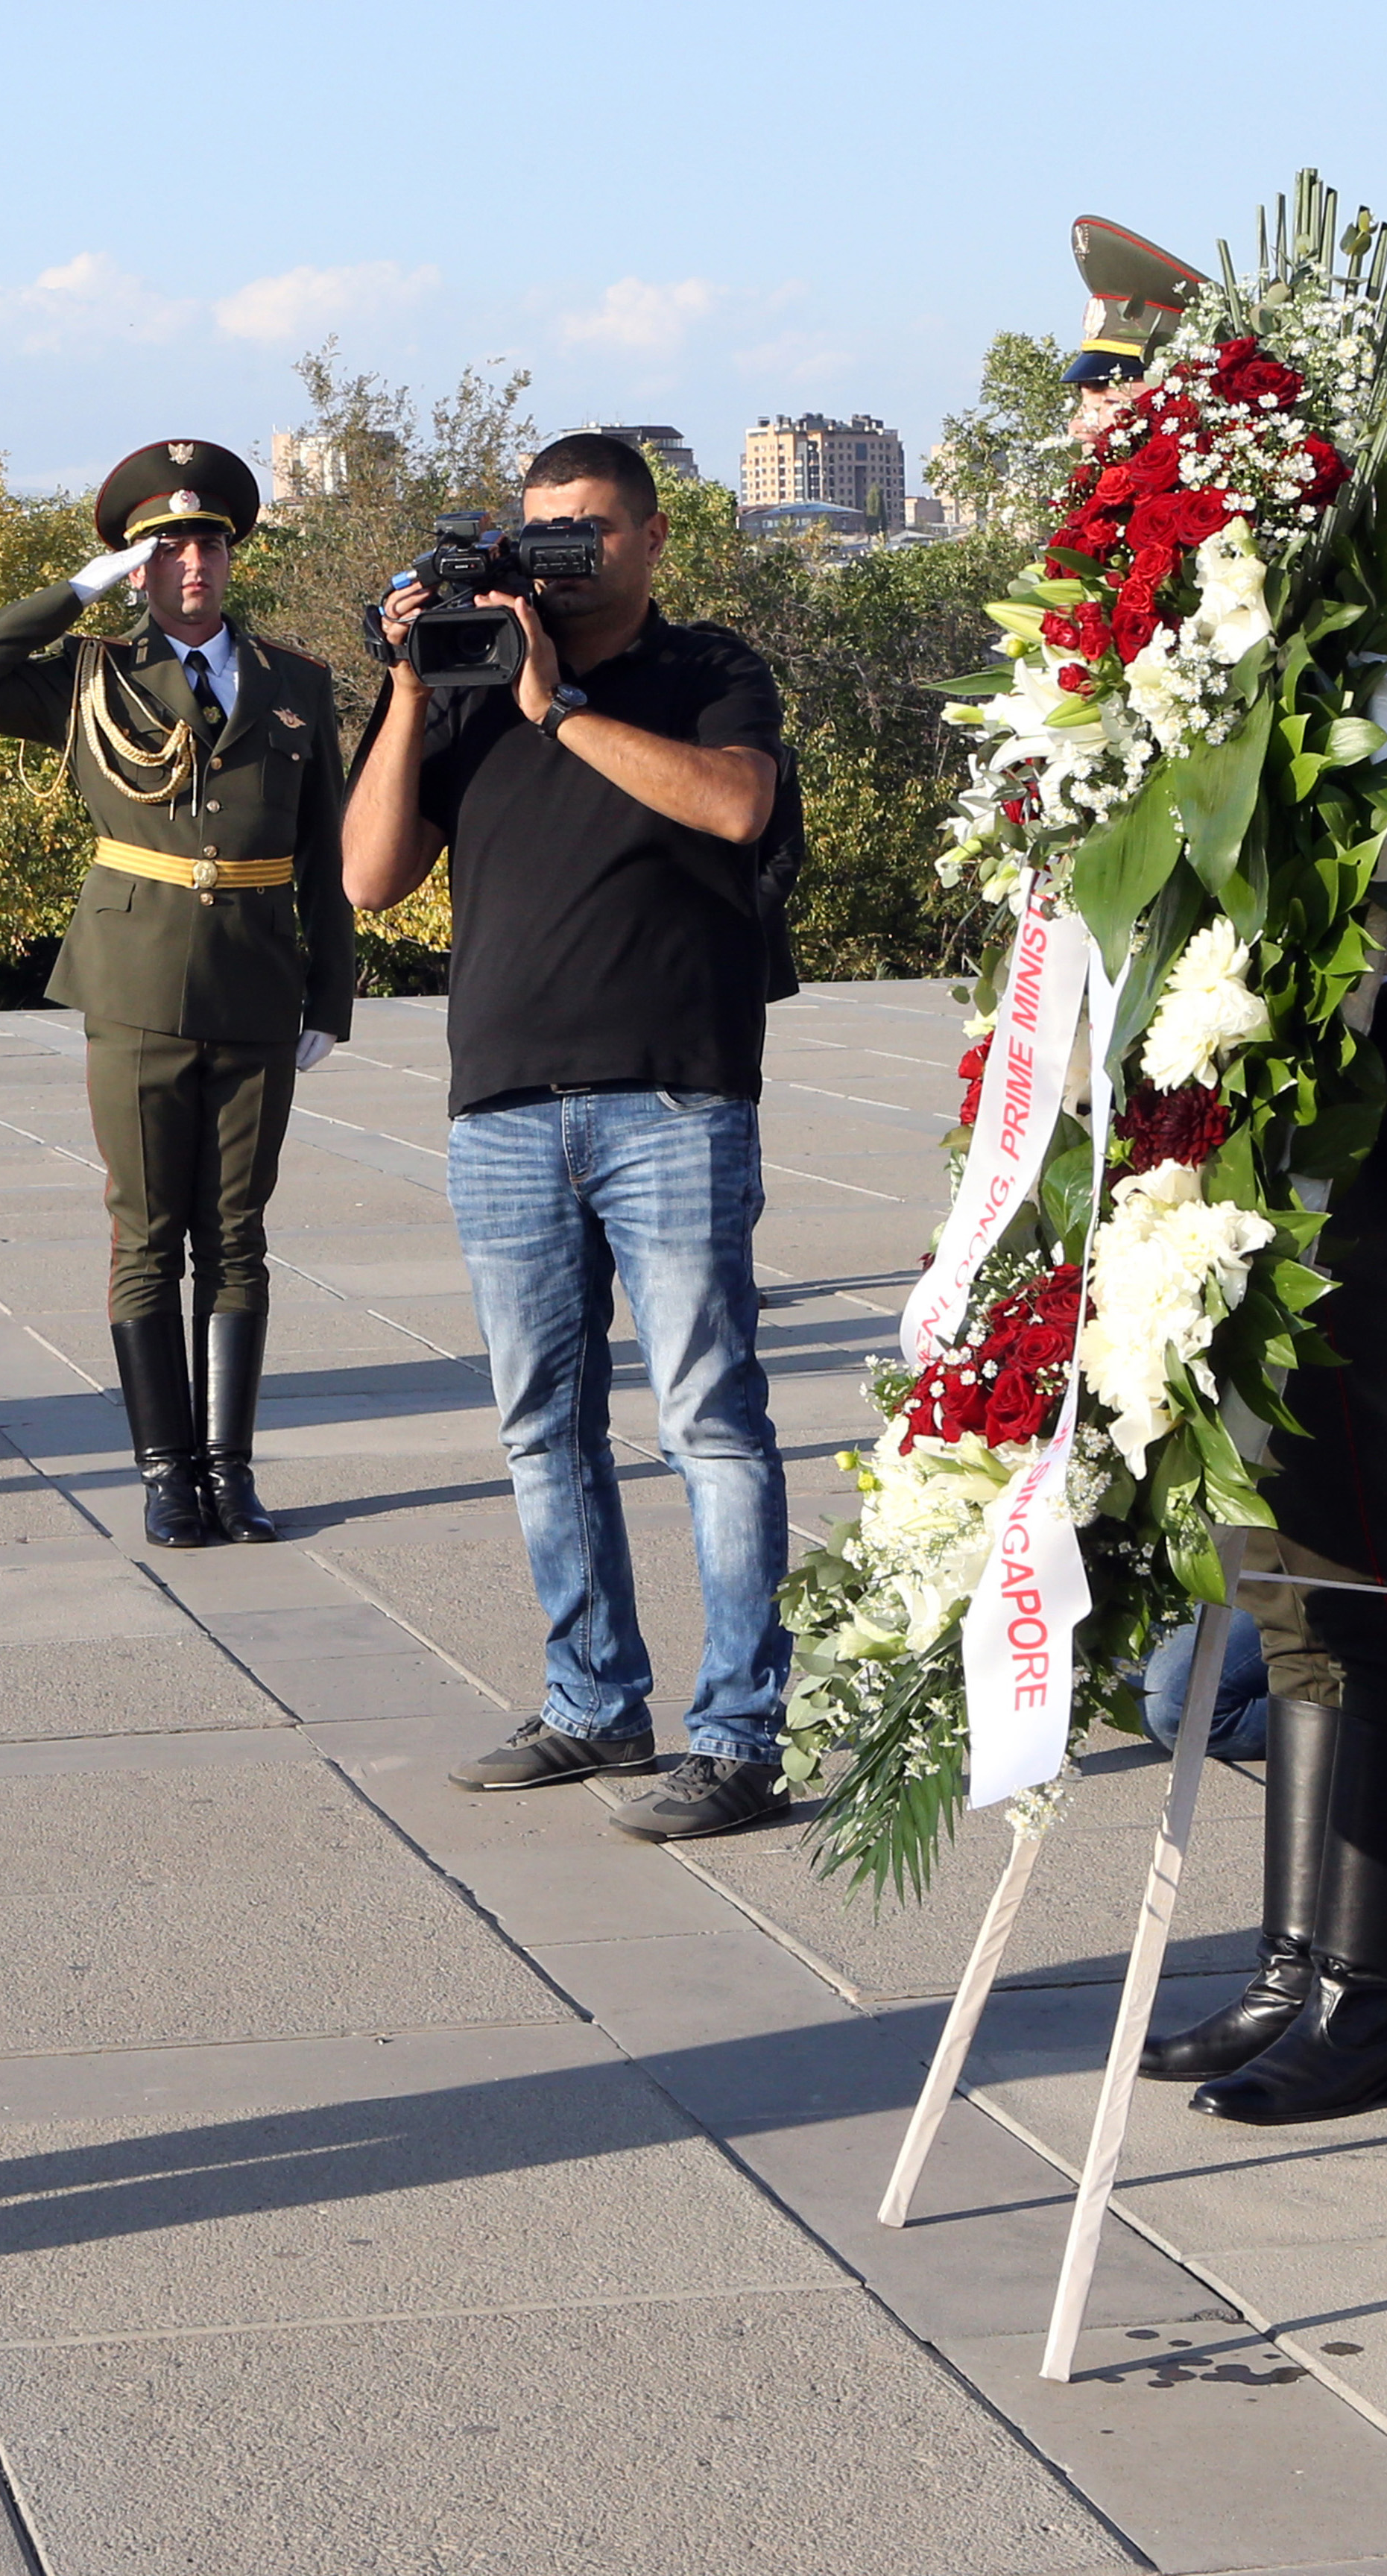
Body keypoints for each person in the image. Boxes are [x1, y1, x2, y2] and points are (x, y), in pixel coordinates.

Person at [1047, 215, 1387, 2127]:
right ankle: (1297, 1966)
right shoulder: (1127, 654)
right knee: (1285, 1594)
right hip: (1176, 1179)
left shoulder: (1321, 659)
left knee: (1363, 1583)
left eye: (1119, 401)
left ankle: (1372, 1995)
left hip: (1301, 1186)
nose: (1090, 435)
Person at [343, 431, 803, 1843]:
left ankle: (739, 1737)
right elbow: (368, 878)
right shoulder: (467, 681)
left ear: (653, 537)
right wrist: (414, 685)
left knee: (708, 1420)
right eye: (542, 531)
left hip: (671, 1094)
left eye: (589, 530)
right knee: (543, 1424)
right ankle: (594, 1700)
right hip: (502, 1107)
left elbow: (736, 804)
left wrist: (558, 709)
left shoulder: (709, 669)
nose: (563, 555)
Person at [0, 441, 356, 1550]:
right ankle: (167, 1474)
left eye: (206, 542)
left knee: (239, 1234)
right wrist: (77, 590)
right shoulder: (93, 676)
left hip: (258, 979)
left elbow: (325, 852)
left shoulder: (296, 683)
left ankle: (232, 1473)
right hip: (134, 983)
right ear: (138, 564)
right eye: (166, 548)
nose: (191, 563)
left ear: (232, 554)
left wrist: (331, 994)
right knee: (148, 1235)